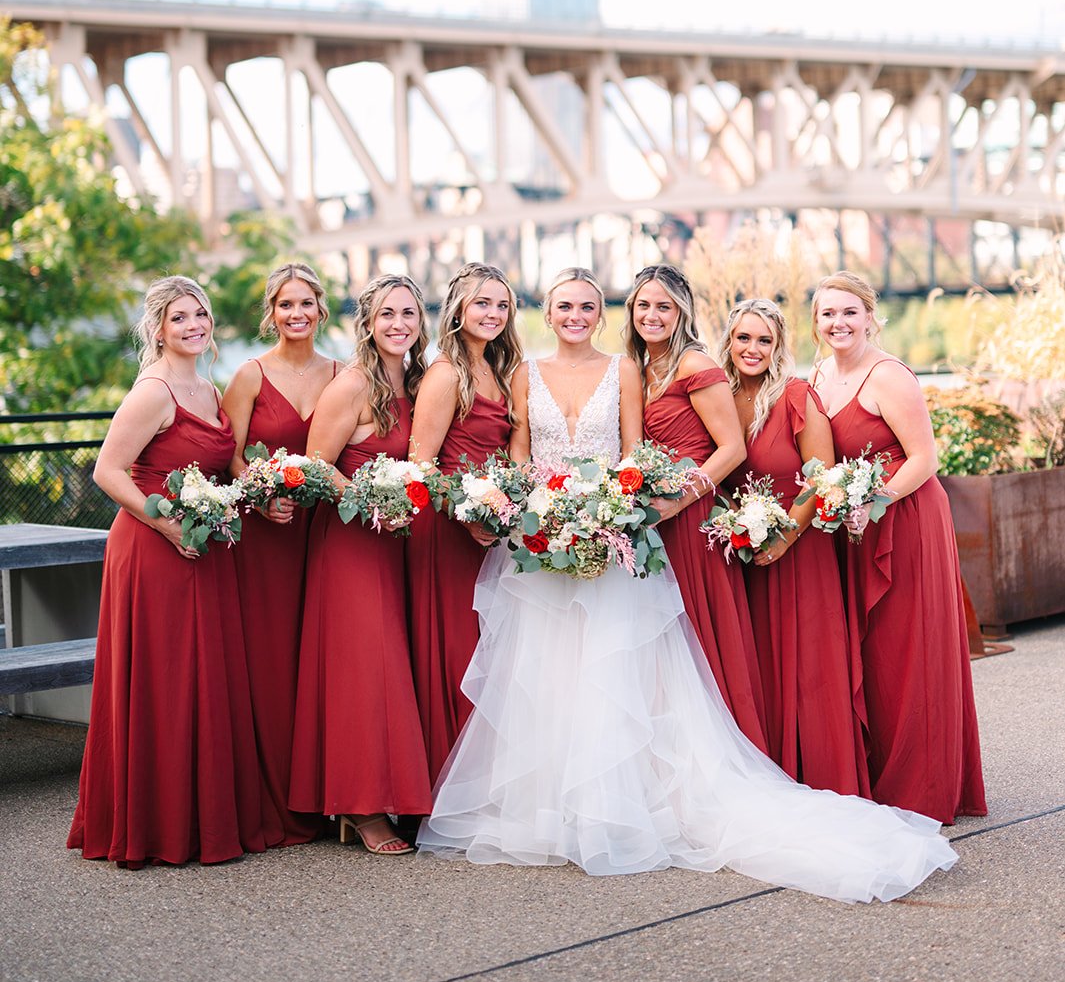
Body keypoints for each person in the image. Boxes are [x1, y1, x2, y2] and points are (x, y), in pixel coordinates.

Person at [419, 269, 959, 903]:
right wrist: (525, 506)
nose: (574, 314)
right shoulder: (524, 372)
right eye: (563, 304)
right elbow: (518, 446)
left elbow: (630, 450)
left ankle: (623, 801)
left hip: (611, 531)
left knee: (617, 670)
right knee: (546, 669)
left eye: (587, 305)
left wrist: (621, 507)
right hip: (542, 534)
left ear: (601, 314)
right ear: (549, 310)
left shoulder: (624, 370)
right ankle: (550, 807)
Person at [68, 276, 276, 867]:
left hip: (202, 546)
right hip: (151, 547)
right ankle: (153, 825)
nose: (193, 326)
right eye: (180, 318)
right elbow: (108, 472)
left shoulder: (207, 388)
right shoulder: (153, 391)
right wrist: (164, 525)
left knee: (199, 680)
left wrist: (257, 494)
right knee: (162, 682)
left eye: (201, 316)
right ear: (158, 327)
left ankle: (198, 819)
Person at [812, 271, 987, 823]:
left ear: (870, 317)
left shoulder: (888, 376)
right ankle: (879, 774)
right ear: (815, 323)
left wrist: (876, 499)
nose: (838, 323)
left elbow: (924, 459)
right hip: (855, 525)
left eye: (849, 313)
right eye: (827, 315)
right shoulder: (816, 376)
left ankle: (924, 785)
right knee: (872, 651)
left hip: (906, 519)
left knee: (909, 648)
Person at [288, 275, 434, 854]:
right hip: (350, 543)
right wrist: (371, 504)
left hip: (401, 542)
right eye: (387, 315)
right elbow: (315, 466)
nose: (399, 325)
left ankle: (396, 793)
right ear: (367, 324)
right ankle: (362, 808)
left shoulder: (420, 383)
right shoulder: (351, 387)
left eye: (409, 314)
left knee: (396, 665)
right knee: (363, 671)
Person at [719, 298, 868, 796]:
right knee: (756, 666)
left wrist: (785, 535)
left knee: (810, 669)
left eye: (764, 340)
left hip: (799, 548)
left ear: (779, 346)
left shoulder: (797, 395)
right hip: (744, 550)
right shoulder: (719, 394)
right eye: (744, 338)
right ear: (729, 341)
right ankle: (767, 777)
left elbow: (821, 478)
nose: (752, 349)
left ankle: (825, 780)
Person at [625, 265, 767, 749]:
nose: (652, 315)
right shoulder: (638, 369)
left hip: (691, 522)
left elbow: (731, 449)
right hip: (652, 526)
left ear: (681, 312)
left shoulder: (693, 364)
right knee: (664, 650)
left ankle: (728, 751)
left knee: (702, 638)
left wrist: (676, 501)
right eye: (643, 305)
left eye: (663, 305)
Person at [221, 261, 336, 847]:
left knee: (316, 659)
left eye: (306, 304)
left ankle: (321, 793)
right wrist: (263, 495)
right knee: (269, 658)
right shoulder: (248, 375)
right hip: (266, 536)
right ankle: (271, 795)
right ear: (272, 312)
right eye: (286, 305)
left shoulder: (343, 373)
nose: (297, 314)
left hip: (323, 534)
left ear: (321, 309)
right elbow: (232, 455)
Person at [405, 262, 521, 784]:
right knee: (453, 652)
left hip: (486, 528)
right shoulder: (445, 372)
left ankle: (476, 781)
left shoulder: (498, 370)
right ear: (458, 309)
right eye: (482, 303)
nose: (493, 314)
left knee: (485, 653)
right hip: (446, 529)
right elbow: (422, 463)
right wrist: (463, 511)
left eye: (502, 305)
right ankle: (439, 781)